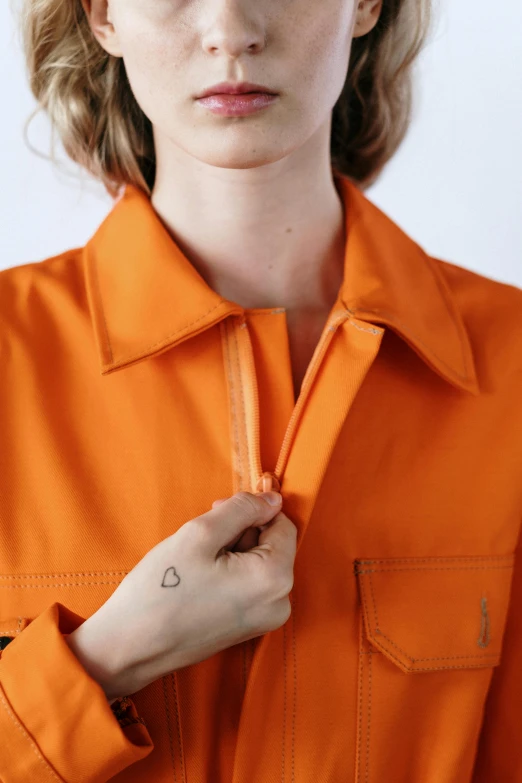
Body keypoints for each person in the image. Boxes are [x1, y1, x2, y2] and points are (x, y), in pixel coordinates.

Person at [0, 0, 520, 781]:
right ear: (103, 14)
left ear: (367, 5)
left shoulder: (510, 365)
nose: (231, 28)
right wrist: (102, 661)